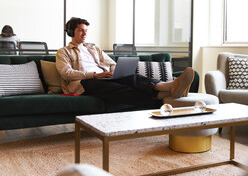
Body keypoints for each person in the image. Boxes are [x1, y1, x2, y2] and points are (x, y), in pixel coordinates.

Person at [56, 17, 194, 109]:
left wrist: (117, 71)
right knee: (118, 88)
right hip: (84, 83)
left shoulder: (94, 48)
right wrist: (94, 75)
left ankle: (169, 87)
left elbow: (110, 63)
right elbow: (66, 74)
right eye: (81, 30)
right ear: (71, 32)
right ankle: (167, 93)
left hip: (104, 77)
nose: (84, 34)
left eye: (86, 30)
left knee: (132, 77)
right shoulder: (63, 52)